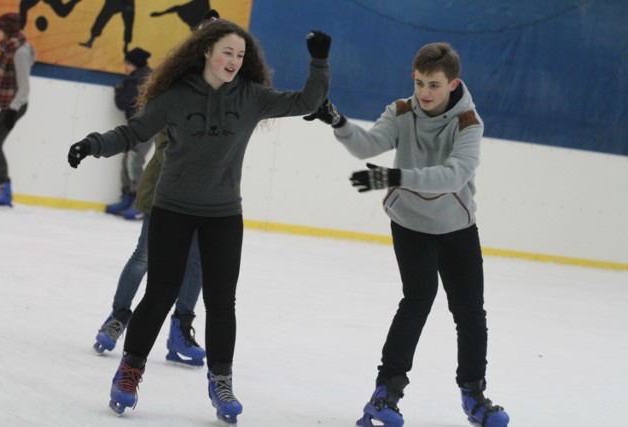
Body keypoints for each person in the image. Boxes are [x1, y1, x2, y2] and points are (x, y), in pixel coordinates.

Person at [67, 17, 331, 423]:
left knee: (222, 303)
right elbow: (134, 132)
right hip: (172, 208)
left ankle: (221, 381)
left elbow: (306, 103)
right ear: (206, 51)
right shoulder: (176, 96)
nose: (234, 60)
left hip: (224, 215)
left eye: (241, 55)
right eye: (228, 52)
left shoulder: (252, 96)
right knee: (159, 294)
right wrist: (93, 144)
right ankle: (129, 371)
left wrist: (319, 63)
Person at [304, 42, 509, 427]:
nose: (424, 93)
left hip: (457, 226)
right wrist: (337, 121)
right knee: (418, 299)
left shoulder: (469, 124)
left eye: (433, 84)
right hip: (411, 223)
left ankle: (474, 394)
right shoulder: (400, 111)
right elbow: (368, 144)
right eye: (419, 83)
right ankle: (385, 394)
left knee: (470, 311)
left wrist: (393, 176)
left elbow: (454, 176)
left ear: (453, 84)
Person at [93, 128, 206, 367]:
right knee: (145, 255)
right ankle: (117, 317)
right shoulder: (176, 96)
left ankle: (180, 331)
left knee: (195, 262)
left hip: (204, 194)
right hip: (162, 188)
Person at [0, 13, 35, 207]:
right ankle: (0, 186)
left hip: (15, 104)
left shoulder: (20, 51)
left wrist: (13, 110)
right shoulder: (10, 48)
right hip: (10, 102)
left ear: (7, 30)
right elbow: (5, 70)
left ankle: (4, 189)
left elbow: (24, 86)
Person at [105, 47, 153, 216]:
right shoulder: (145, 77)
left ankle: (140, 203)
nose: (125, 66)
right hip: (139, 127)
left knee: (133, 161)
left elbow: (121, 103)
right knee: (128, 160)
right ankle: (128, 197)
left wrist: (119, 90)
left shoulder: (136, 81)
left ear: (134, 64)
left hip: (144, 127)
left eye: (127, 63)